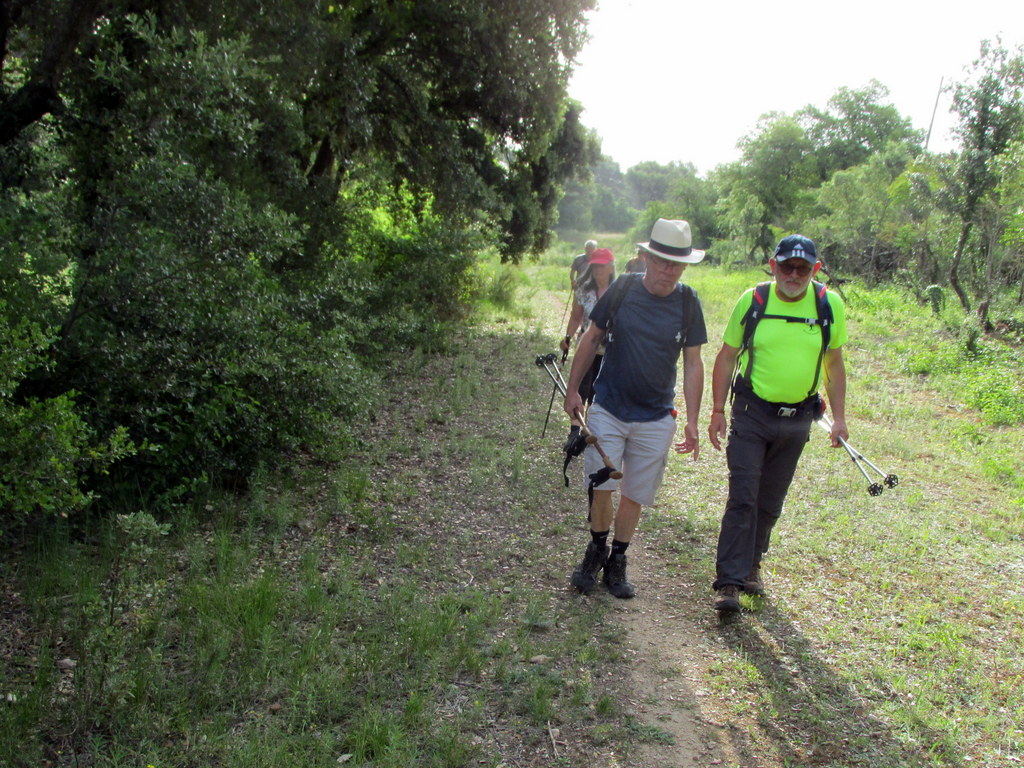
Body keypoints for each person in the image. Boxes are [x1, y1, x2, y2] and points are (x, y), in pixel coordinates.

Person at [563, 219, 707, 598]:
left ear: (685, 266)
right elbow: (592, 336)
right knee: (602, 484)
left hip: (656, 416)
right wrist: (573, 390)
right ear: (646, 257)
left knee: (636, 493)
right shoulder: (624, 290)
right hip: (608, 407)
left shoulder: (689, 302)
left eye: (676, 264)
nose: (667, 271)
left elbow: (693, 362)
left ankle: (618, 558)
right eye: (660, 261)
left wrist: (692, 421)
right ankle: (595, 549)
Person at [707, 234, 849, 614]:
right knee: (743, 496)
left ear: (815, 270)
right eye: (786, 266)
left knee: (770, 502)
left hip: (798, 420)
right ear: (773, 265)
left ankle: (752, 564)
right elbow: (725, 357)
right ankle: (729, 583)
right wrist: (717, 410)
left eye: (803, 268)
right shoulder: (753, 300)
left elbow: (833, 364)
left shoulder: (827, 305)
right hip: (752, 414)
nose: (794, 274)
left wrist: (840, 418)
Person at [559, 247, 615, 449]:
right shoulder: (584, 288)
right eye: (595, 266)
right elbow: (576, 317)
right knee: (580, 388)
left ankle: (591, 430)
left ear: (610, 267)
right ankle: (575, 432)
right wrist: (568, 336)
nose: (598, 270)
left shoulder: (620, 291)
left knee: (598, 393)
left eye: (602, 266)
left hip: (611, 351)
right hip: (586, 346)